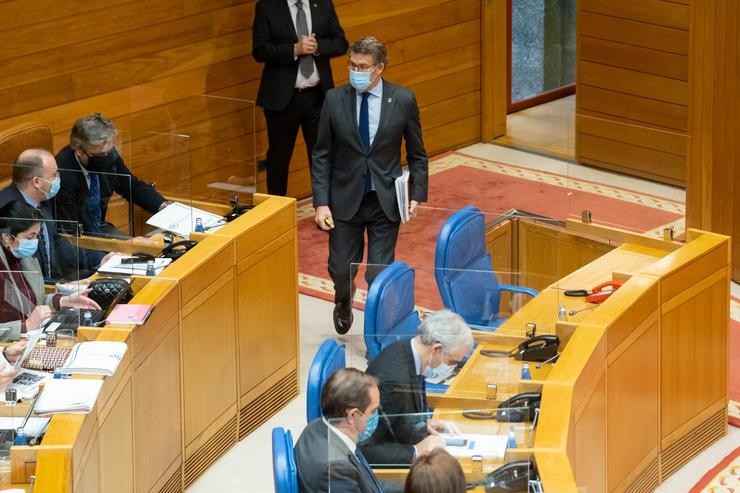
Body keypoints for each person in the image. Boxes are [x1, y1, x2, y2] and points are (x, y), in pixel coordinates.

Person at [312, 36, 428, 334]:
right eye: (351, 64)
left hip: (384, 200)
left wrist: (417, 194)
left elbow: (417, 153)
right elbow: (322, 153)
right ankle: (343, 302)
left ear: (380, 68)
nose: (356, 71)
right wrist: (320, 202)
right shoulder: (335, 99)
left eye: (362, 66)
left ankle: (376, 332)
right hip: (344, 200)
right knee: (340, 270)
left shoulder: (402, 100)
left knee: (378, 275)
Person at [252, 0, 348, 196]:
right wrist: (294, 50)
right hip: (283, 100)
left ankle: (326, 209)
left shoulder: (323, 4)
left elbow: (341, 43)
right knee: (278, 158)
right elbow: (259, 50)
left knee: (322, 155)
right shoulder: (267, 7)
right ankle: (278, 213)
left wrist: (318, 46)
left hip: (318, 96)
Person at [359, 310, 474, 466]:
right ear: (436, 349)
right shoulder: (394, 383)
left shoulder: (409, 350)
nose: (452, 369)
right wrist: (416, 451)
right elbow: (364, 449)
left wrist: (420, 423)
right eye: (452, 362)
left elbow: (396, 415)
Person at [0, 149, 114, 282]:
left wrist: (99, 259)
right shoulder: (6, 211)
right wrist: (63, 288)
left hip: (51, 283)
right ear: (36, 182)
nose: (58, 179)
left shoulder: (42, 201)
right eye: (54, 175)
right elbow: (13, 276)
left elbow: (56, 243)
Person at [53, 113, 167, 237]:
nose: (105, 158)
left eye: (108, 152)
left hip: (101, 228)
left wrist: (163, 206)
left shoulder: (108, 155)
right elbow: (69, 233)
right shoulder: (63, 174)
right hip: (80, 238)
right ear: (79, 150)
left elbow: (131, 186)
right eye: (99, 155)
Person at [0, 201, 100, 340]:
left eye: (37, 236)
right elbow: (28, 318)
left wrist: (64, 301)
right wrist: (25, 326)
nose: (35, 242)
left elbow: (35, 304)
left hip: (33, 338)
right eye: (30, 237)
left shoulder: (26, 258)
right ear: (7, 238)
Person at [294, 367, 403, 493]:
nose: (376, 415)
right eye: (373, 411)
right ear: (353, 415)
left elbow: (369, 485)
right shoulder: (337, 471)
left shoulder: (315, 427)